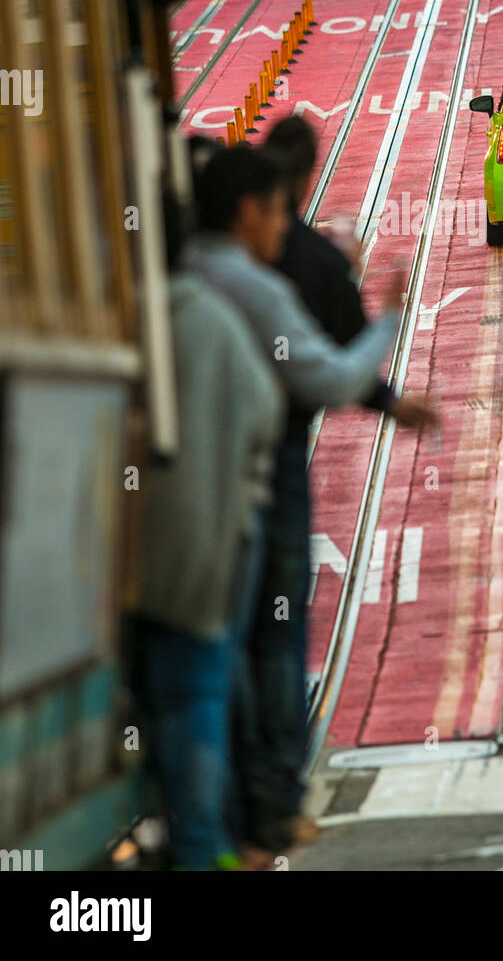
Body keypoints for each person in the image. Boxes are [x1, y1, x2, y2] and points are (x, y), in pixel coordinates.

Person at [187, 145, 403, 858]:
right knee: (261, 642)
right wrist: (388, 323)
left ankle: (229, 821)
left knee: (210, 656)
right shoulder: (250, 287)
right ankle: (265, 810)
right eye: (280, 213)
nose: (288, 228)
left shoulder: (181, 276)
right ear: (249, 210)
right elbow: (329, 374)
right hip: (248, 484)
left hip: (182, 492)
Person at [243, 115, 434, 849]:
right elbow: (340, 364)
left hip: (206, 470)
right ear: (307, 175)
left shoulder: (215, 265)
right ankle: (278, 800)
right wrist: (393, 395)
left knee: (229, 637)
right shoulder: (309, 262)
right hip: (275, 466)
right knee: (280, 632)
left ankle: (240, 799)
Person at [129, 190, 283, 871]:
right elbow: (264, 410)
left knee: (165, 693)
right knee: (200, 690)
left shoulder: (122, 314)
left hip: (128, 556)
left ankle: (193, 838)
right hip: (208, 542)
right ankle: (205, 845)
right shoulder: (209, 318)